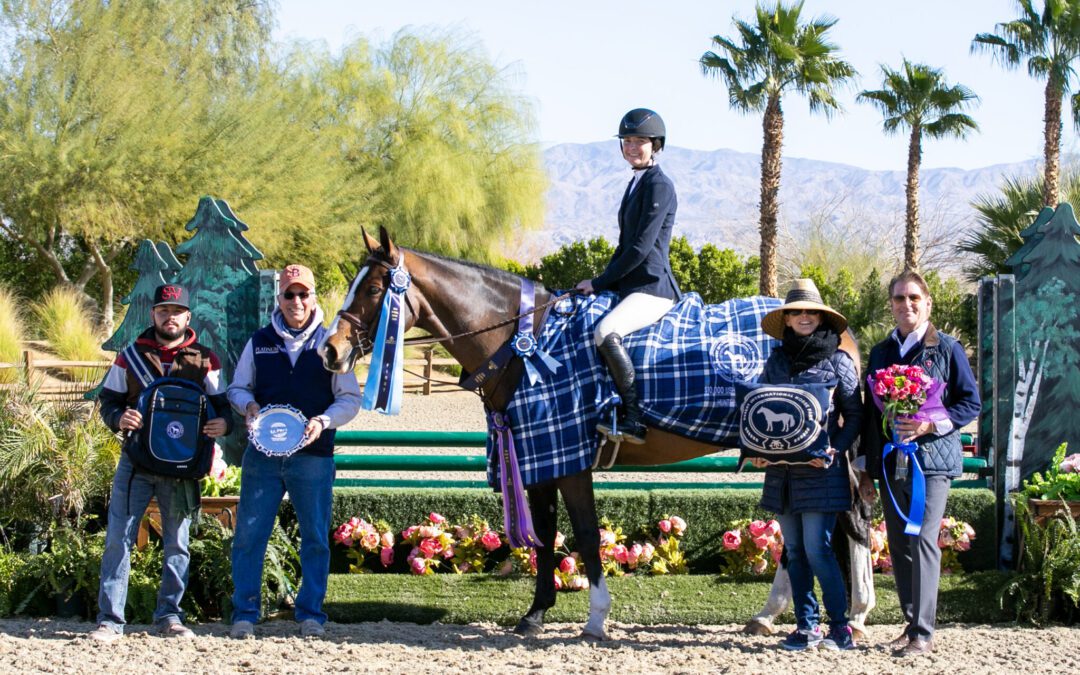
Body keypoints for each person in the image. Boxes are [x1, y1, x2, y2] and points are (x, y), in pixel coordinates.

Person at [89, 284, 232, 642]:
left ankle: (169, 616)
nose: (170, 317)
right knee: (118, 541)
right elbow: (107, 401)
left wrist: (224, 423)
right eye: (163, 311)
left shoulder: (206, 359)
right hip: (135, 464)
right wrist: (118, 418)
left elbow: (225, 406)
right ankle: (110, 621)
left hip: (183, 469)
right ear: (153, 314)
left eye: (176, 311)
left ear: (188, 316)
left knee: (178, 544)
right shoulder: (130, 355)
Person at [227, 264, 361, 639]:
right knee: (250, 536)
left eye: (303, 294)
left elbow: (350, 399)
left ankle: (311, 614)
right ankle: (245, 613)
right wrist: (248, 406)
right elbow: (237, 388)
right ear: (279, 298)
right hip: (262, 458)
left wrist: (324, 421)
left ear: (314, 297)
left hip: (314, 457)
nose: (297, 301)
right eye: (289, 294)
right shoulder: (259, 340)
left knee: (315, 537)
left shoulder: (332, 343)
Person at [857, 270, 980, 657]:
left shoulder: (947, 348)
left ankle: (924, 633)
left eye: (913, 298)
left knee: (924, 540)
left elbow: (970, 403)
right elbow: (869, 418)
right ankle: (910, 625)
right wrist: (866, 470)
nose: (906, 304)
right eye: (898, 298)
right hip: (893, 463)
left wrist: (929, 423)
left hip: (932, 462)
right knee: (899, 543)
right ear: (891, 305)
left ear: (927, 303)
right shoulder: (880, 352)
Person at [751, 279, 862, 651]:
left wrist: (835, 451)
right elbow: (760, 409)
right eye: (796, 311)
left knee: (818, 549)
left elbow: (855, 416)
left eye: (810, 311)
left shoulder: (839, 361)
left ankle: (840, 627)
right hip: (781, 473)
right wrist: (757, 449)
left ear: (821, 317)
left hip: (821, 471)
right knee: (794, 551)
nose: (803, 316)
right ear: (787, 318)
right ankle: (806, 626)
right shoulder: (776, 360)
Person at [575, 108, 680, 444]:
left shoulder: (659, 186)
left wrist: (600, 282)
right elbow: (623, 247)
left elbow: (639, 249)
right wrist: (597, 282)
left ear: (656, 145)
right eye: (628, 141)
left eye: (641, 141)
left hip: (652, 288)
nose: (633, 147)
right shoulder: (637, 182)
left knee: (606, 332)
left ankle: (633, 418)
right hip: (630, 286)